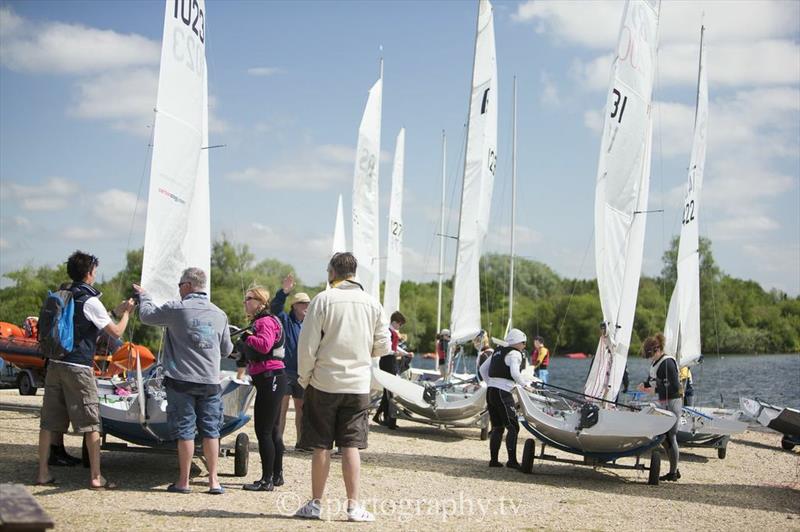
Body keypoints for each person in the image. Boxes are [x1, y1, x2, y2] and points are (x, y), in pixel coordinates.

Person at [294, 252, 390, 522]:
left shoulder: (322, 300)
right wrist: (363, 354)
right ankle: (353, 506)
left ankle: (315, 504)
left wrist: (305, 378)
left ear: (332, 272)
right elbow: (384, 345)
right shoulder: (372, 303)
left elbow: (308, 345)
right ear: (355, 273)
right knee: (351, 445)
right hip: (358, 383)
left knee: (321, 446)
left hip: (324, 381)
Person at [36, 251, 135, 489]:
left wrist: (115, 311)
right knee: (91, 424)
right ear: (90, 273)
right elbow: (116, 333)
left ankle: (42, 474)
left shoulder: (64, 294)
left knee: (48, 422)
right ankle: (95, 477)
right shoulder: (91, 300)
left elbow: (84, 322)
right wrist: (127, 314)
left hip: (55, 363)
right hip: (78, 367)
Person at [134, 267, 233, 495]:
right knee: (211, 431)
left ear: (187, 286)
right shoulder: (220, 314)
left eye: (179, 285)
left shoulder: (176, 308)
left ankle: (184, 481)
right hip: (210, 382)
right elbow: (227, 350)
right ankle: (214, 482)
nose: (178, 290)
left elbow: (146, 316)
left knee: (185, 431)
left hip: (181, 381)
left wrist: (145, 296)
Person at [238, 286, 287, 492]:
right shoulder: (266, 320)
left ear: (259, 302)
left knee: (264, 431)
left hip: (270, 378)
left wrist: (246, 337)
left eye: (248, 299)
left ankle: (267, 480)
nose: (245, 303)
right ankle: (276, 476)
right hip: (272, 378)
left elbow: (265, 346)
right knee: (273, 431)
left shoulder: (264, 321)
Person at [479, 328, 531, 470]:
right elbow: (515, 372)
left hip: (491, 391)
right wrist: (525, 385)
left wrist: (491, 383)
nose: (525, 346)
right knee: (513, 426)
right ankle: (512, 461)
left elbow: (482, 369)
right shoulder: (515, 353)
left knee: (497, 427)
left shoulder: (497, 351)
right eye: (524, 343)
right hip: (503, 392)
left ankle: (494, 460)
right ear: (517, 343)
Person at [270, 274, 310, 451]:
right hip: (285, 371)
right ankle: (278, 441)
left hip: (303, 373)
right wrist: (284, 292)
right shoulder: (285, 320)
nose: (306, 307)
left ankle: (302, 442)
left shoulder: (310, 324)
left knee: (302, 409)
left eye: (308, 304)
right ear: (294, 306)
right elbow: (275, 307)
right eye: (302, 304)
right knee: (282, 407)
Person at [637, 333, 682, 482]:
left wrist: (654, 390)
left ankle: (673, 472)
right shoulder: (656, 363)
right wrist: (645, 385)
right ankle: (674, 467)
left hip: (673, 401)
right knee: (663, 437)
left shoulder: (668, 363)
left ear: (657, 350)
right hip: (663, 400)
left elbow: (674, 386)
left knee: (671, 435)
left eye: (650, 355)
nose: (650, 358)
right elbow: (655, 380)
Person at [373, 311, 412, 429]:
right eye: (400, 325)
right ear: (395, 322)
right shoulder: (388, 332)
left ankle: (385, 417)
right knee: (389, 392)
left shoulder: (393, 332)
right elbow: (387, 348)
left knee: (388, 392)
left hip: (391, 361)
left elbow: (395, 346)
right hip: (387, 361)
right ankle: (388, 419)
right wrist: (397, 353)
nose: (400, 327)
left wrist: (406, 353)